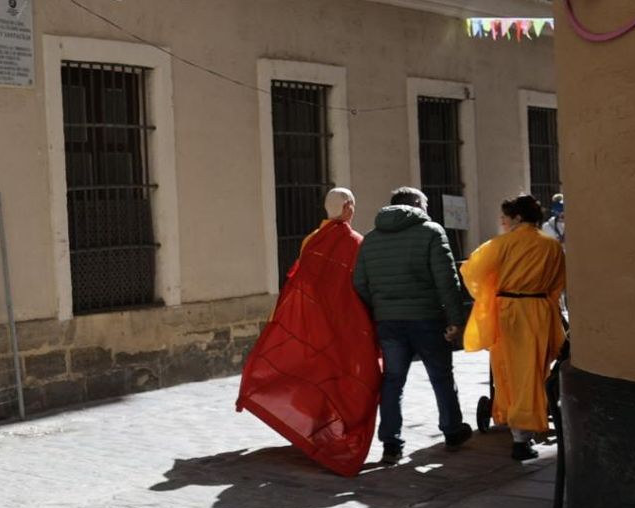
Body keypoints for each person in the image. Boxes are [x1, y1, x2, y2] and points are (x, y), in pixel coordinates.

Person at [237, 188, 382, 476]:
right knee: (349, 377)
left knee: (321, 374)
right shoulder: (356, 242)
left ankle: (319, 430)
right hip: (345, 323)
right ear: (348, 208)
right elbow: (360, 285)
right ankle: (338, 432)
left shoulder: (312, 240)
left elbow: (302, 281)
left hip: (317, 322)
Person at [352, 187, 473, 463]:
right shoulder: (431, 232)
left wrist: (380, 307)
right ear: (417, 204)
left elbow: (359, 282)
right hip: (427, 318)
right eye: (426, 204)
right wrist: (455, 319)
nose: (428, 210)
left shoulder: (370, 240)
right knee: (441, 376)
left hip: (388, 321)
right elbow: (447, 280)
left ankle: (391, 443)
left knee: (393, 381)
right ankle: (452, 430)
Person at [460, 194, 567, 461]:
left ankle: (519, 432)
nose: (503, 222)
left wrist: (494, 286)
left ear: (517, 218)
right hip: (539, 311)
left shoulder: (502, 243)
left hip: (508, 312)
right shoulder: (551, 245)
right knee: (533, 371)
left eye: (506, 217)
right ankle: (524, 428)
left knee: (509, 369)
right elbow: (558, 283)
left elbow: (472, 271)